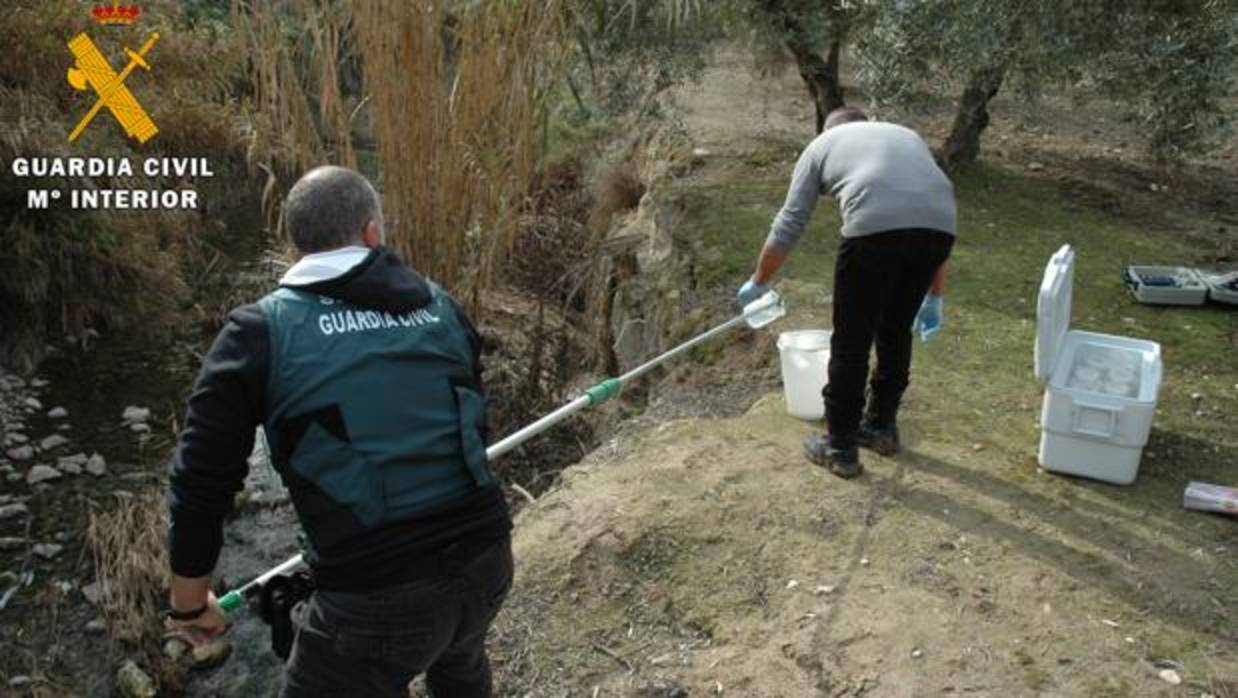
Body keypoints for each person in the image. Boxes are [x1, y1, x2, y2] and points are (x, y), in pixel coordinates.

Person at [163, 165, 513, 697]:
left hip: (374, 600)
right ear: (372, 232)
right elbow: (468, 422)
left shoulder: (256, 334)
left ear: (295, 244)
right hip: (488, 560)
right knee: (460, 658)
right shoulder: (442, 305)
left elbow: (201, 483)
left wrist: (188, 604)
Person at [737, 107, 956, 479]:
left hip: (873, 229)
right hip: (941, 228)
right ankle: (881, 427)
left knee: (852, 340)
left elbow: (790, 221)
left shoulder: (822, 144)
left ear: (829, 129)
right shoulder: (905, 135)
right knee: (895, 330)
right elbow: (924, 214)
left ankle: (840, 447)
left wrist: (759, 280)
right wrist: (934, 296)